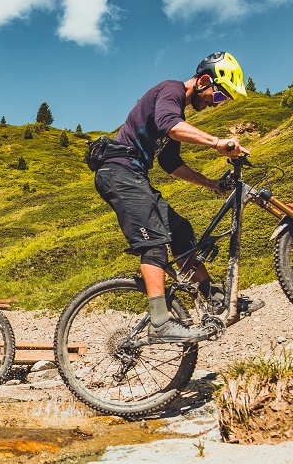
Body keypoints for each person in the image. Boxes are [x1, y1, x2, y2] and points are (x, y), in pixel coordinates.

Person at [95, 51, 263, 344]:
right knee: (155, 241)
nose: (214, 103)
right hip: (118, 173)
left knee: (181, 231)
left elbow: (170, 164)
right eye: (219, 96)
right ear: (205, 80)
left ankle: (214, 299)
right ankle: (160, 322)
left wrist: (212, 184)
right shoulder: (171, 89)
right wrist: (217, 143)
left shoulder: (177, 110)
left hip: (133, 176)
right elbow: (167, 124)